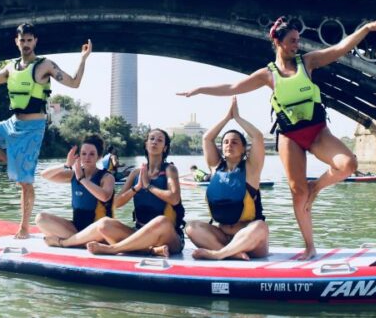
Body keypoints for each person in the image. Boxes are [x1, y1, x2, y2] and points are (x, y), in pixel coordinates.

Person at [178, 16, 376, 259]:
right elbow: (232, 87)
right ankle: (310, 247)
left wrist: (364, 28)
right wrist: (199, 90)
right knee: (297, 192)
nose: (296, 45)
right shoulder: (267, 75)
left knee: (348, 164)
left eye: (298, 41)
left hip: (317, 132)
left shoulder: (308, 62)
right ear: (277, 42)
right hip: (289, 136)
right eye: (292, 41)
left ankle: (316, 187)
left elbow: (339, 50)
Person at [0, 23, 92, 238]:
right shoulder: (10, 66)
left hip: (32, 128)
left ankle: (23, 227)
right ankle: (11, 161)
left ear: (35, 42)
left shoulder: (45, 65)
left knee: (25, 182)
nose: (25, 44)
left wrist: (82, 59)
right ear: (17, 41)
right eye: (22, 40)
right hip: (11, 123)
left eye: (29, 40)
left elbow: (74, 83)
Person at [186, 97, 269, 260]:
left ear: (244, 148)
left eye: (235, 142)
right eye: (225, 142)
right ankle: (232, 254)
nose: (229, 145)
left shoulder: (251, 169)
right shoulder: (215, 167)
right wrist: (226, 118)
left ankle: (220, 254)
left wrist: (237, 118)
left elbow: (257, 137)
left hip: (250, 241)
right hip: (221, 237)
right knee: (191, 227)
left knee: (261, 227)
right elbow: (207, 138)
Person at [84, 129, 185, 258]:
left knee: (161, 221)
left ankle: (113, 249)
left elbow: (174, 199)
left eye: (159, 140)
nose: (154, 142)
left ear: (164, 148)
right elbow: (116, 203)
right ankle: (152, 250)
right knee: (105, 224)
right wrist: (136, 188)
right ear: (146, 144)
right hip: (139, 232)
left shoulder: (170, 170)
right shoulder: (136, 173)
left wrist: (149, 186)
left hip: (169, 236)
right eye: (152, 139)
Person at [36, 135, 115, 248]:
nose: (87, 157)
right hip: (76, 229)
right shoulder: (73, 174)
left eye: (92, 154)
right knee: (41, 218)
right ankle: (78, 242)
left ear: (99, 156)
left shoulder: (107, 177)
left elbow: (105, 197)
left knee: (98, 229)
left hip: (97, 231)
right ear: (79, 156)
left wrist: (82, 179)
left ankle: (69, 241)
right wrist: (66, 165)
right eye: (83, 153)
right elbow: (45, 175)